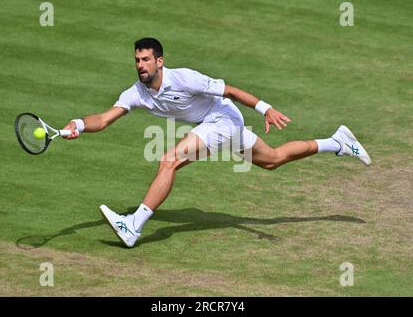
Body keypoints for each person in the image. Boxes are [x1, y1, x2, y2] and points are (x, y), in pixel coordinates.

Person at [62, 37, 371, 248]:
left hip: (224, 119)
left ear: (159, 61)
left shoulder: (184, 78)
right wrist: (76, 125)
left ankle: (134, 225)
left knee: (169, 159)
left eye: (145, 60)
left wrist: (267, 108)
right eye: (136, 60)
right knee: (273, 159)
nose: (140, 65)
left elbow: (231, 92)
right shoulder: (136, 92)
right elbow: (103, 119)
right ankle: (337, 141)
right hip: (213, 125)